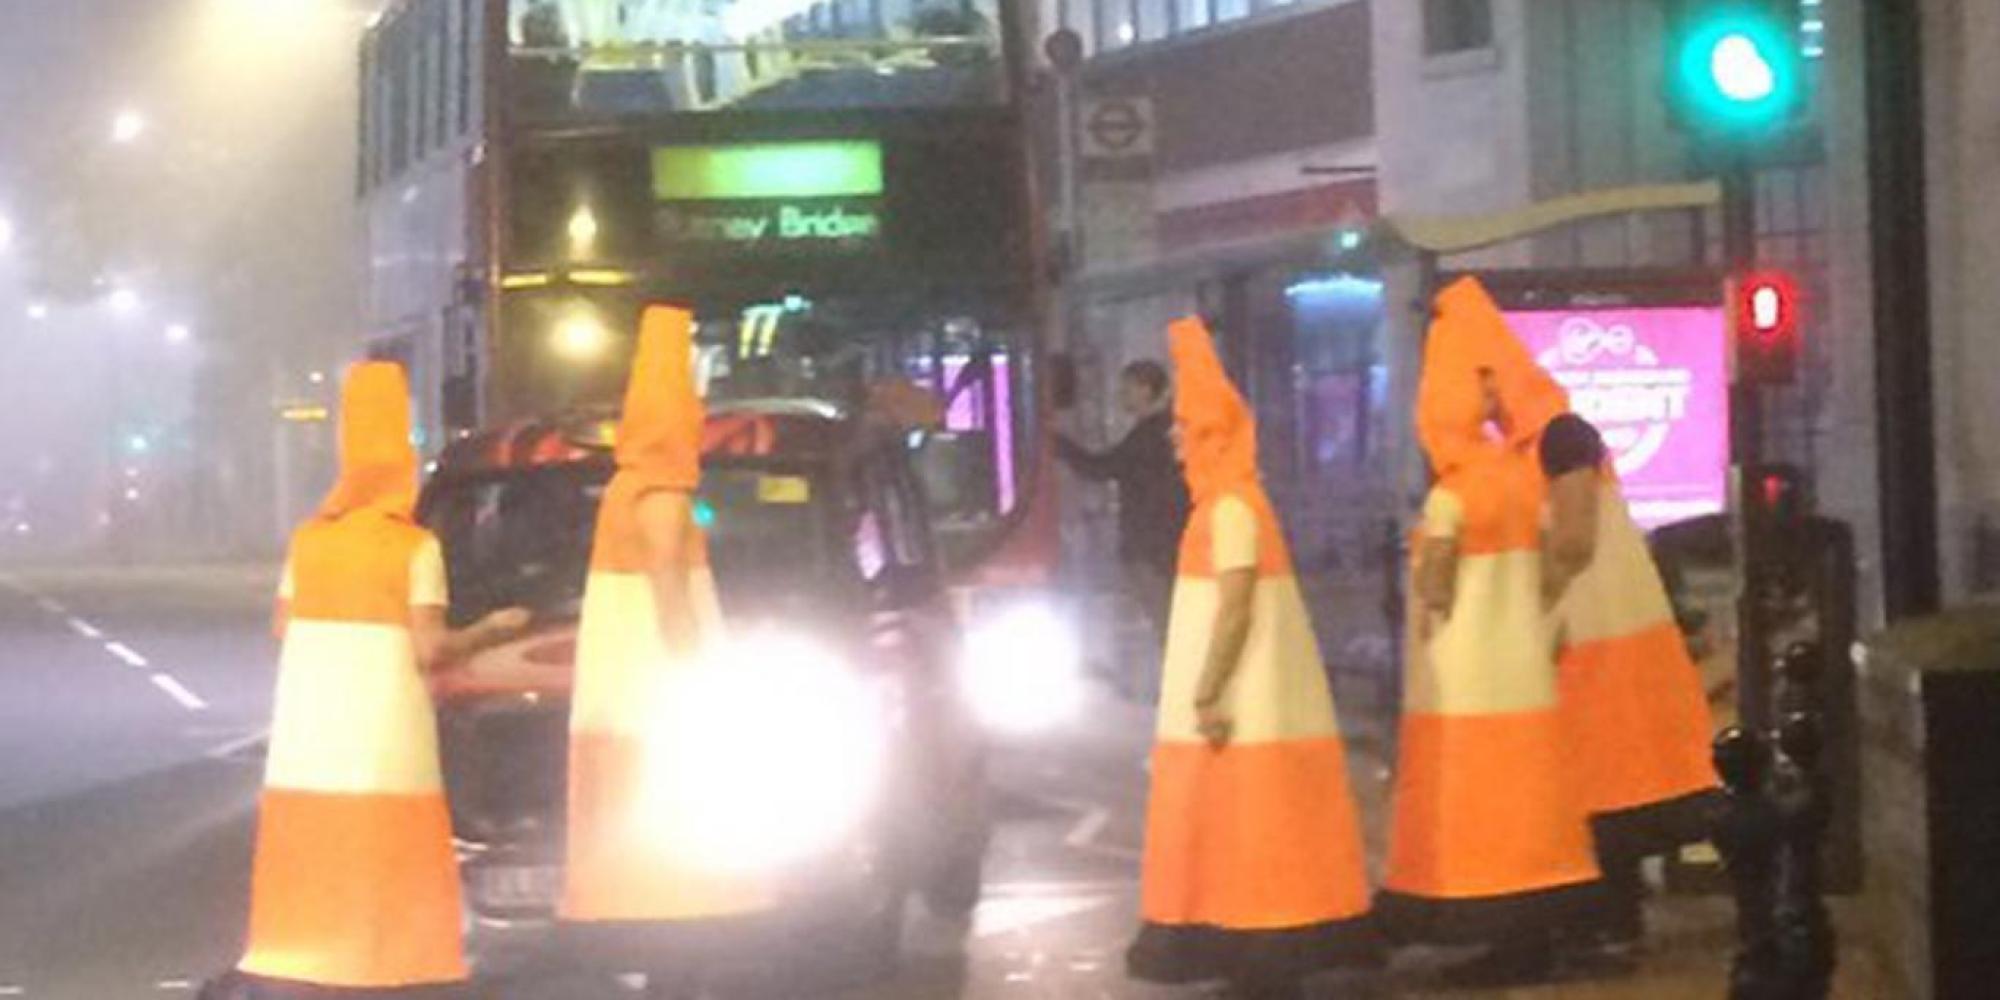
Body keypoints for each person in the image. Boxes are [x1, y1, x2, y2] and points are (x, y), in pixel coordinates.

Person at [228, 362, 528, 998]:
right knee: (389, 854)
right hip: (385, 742)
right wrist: (497, 628)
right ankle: (383, 962)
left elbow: (285, 630)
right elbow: (431, 651)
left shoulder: (309, 543)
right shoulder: (412, 548)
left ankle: (316, 960)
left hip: (309, 748)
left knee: (316, 860)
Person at [1127, 318, 1377, 1000]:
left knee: (1248, 838)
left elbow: (1234, 607)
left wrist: (1207, 692)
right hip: (1249, 714)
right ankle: (1254, 965)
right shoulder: (1228, 504)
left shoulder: (1230, 508)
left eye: (1185, 426)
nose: (1175, 439)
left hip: (1241, 717)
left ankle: (1262, 971)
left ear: (1212, 433)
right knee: (1245, 837)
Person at [1377, 277, 1600, 987]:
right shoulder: (1522, 477)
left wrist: (1432, 597)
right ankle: (1538, 934)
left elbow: (1436, 582)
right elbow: (1565, 553)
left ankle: (1492, 934)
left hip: (1467, 683)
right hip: (1526, 673)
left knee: (1476, 808)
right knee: (1530, 800)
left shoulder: (1452, 494)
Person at [560, 306, 769, 989]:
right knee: (686, 881)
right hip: (664, 709)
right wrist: (699, 677)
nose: (701, 404)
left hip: (635, 706)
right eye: (693, 390)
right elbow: (668, 586)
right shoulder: (661, 492)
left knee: (667, 890)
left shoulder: (625, 486)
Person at [1536, 407, 1721, 955]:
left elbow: (1569, 543)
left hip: (1595, 656)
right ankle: (1616, 913)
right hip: (1608, 654)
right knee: (1618, 792)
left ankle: (1607, 918)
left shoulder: (1555, 442)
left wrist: (1524, 610)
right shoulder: (1559, 442)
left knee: (1606, 792)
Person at [1056, 360, 1190, 699]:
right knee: (1175, 624)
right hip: (1173, 543)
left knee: (1170, 628)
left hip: (1148, 546)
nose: (1121, 396)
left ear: (1146, 389)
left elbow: (1100, 468)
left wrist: (1058, 445)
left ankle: (1183, 699)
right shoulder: (1173, 431)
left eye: (1127, 388)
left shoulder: (1147, 436)